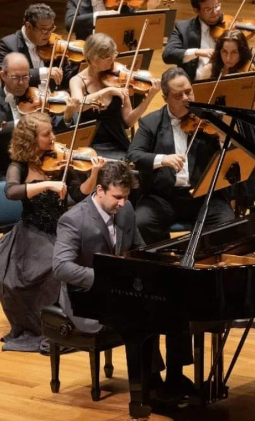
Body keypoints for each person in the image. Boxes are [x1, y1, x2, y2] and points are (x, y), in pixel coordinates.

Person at [53, 160, 194, 402]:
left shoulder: (126, 210)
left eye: (126, 196)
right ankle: (147, 386)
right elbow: (61, 267)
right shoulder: (73, 220)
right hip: (85, 297)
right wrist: (109, 278)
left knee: (175, 304)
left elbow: (138, 248)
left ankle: (175, 376)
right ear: (100, 191)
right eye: (117, 196)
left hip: (120, 289)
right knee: (142, 315)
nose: (123, 202)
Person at [0, 111, 103, 352]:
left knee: (75, 264)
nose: (53, 138)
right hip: (32, 233)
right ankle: (48, 324)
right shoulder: (19, 165)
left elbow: (76, 194)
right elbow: (11, 192)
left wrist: (94, 174)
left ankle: (76, 321)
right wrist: (47, 184)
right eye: (46, 134)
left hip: (62, 230)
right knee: (41, 273)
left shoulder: (61, 161)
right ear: (30, 139)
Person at [127, 68, 236, 244]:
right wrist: (163, 159)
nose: (186, 98)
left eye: (188, 92)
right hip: (163, 197)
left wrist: (224, 139)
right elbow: (132, 155)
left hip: (204, 196)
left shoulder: (209, 120)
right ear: (165, 98)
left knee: (226, 224)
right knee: (141, 223)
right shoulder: (151, 122)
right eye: (178, 95)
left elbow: (230, 156)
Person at [0, 52, 79, 205]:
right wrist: (25, 123)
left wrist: (67, 117)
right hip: (4, 170)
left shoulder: (37, 100)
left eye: (26, 77)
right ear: (3, 75)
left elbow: (52, 134)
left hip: (39, 165)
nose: (22, 83)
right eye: (16, 78)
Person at [69, 33, 160, 160]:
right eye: (107, 57)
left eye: (114, 55)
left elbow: (129, 120)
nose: (112, 60)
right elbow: (78, 105)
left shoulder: (118, 78)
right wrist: (106, 92)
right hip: (91, 144)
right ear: (92, 57)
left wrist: (149, 98)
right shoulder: (77, 81)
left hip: (117, 140)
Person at [0, 3, 66, 90]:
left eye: (51, 28)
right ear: (29, 26)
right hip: (23, 100)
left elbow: (67, 75)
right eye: (44, 30)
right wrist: (44, 72)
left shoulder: (55, 45)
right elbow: (9, 77)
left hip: (54, 98)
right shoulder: (8, 45)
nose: (48, 34)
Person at [162, 0, 221, 81]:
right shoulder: (183, 29)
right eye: (208, 9)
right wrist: (197, 52)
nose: (215, 12)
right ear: (196, 10)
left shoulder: (227, 25)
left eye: (216, 6)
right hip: (194, 87)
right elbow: (167, 54)